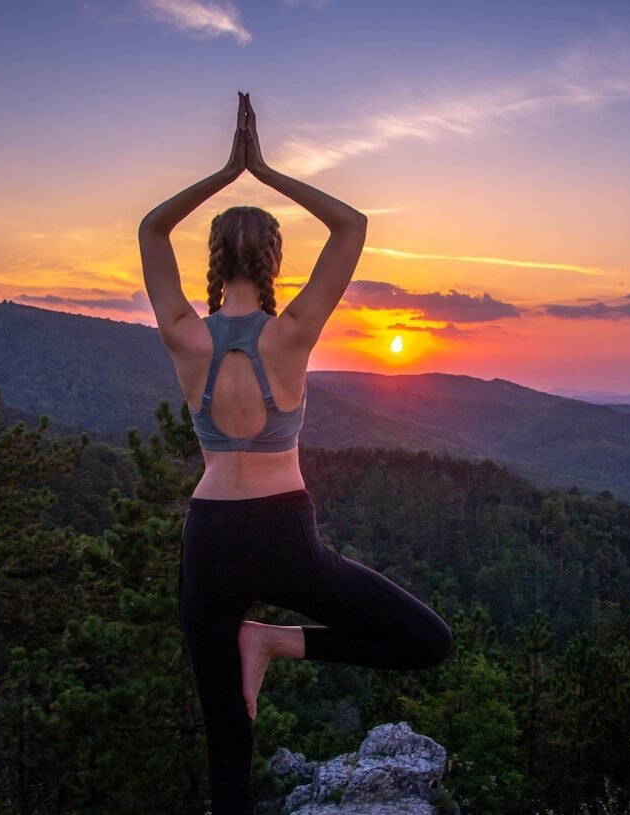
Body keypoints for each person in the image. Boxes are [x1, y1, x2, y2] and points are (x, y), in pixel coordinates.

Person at [138, 92, 453, 815]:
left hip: (210, 537)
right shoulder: (294, 333)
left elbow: (152, 226)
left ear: (212, 261)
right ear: (276, 259)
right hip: (285, 534)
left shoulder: (184, 332)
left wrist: (227, 171)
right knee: (426, 641)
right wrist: (265, 169)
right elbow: (352, 224)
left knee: (228, 746)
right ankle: (276, 643)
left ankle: (261, 645)